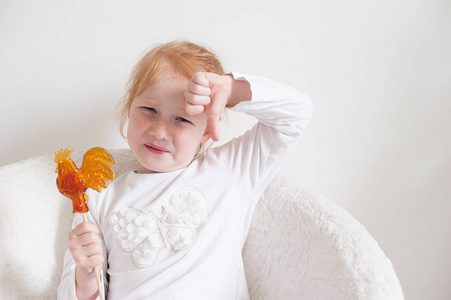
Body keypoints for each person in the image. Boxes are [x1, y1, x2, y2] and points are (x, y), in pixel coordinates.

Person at [58, 40, 314, 299]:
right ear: (128, 108)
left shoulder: (230, 172)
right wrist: (86, 275)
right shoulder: (99, 197)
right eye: (149, 110)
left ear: (206, 131)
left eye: (181, 119)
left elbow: (297, 114)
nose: (158, 132)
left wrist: (232, 90)